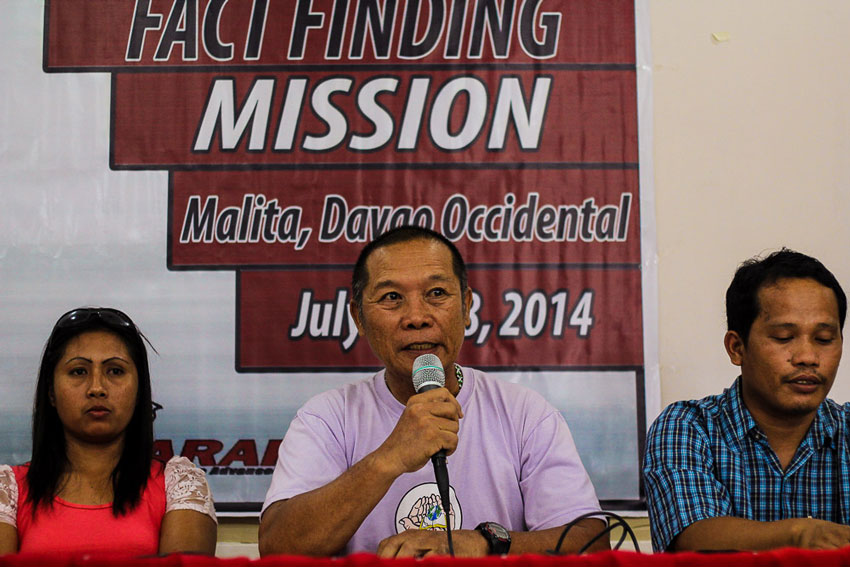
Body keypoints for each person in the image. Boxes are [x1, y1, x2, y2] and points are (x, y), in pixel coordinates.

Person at [259, 226, 606, 557]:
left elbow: (590, 541)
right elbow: (277, 545)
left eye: (436, 294)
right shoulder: (327, 418)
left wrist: (485, 543)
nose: (417, 317)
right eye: (392, 297)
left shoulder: (524, 412)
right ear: (359, 318)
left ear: (467, 306)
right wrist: (389, 457)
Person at [644, 249, 850, 552]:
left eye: (823, 339)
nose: (808, 357)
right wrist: (799, 534)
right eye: (783, 337)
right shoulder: (688, 427)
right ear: (736, 347)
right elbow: (693, 539)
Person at [0, 307, 217, 555]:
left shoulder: (181, 484)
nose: (97, 388)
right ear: (51, 391)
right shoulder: (7, 490)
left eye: (115, 371)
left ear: (139, 390)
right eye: (78, 371)